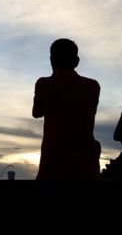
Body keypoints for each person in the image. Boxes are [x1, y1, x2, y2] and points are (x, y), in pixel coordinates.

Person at [32, 38, 101, 180]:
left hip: (53, 164)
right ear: (76, 61)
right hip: (85, 165)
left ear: (52, 60)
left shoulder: (44, 84)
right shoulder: (93, 86)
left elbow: (37, 113)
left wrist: (54, 74)